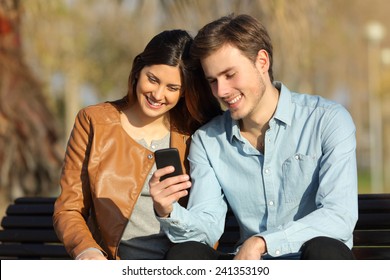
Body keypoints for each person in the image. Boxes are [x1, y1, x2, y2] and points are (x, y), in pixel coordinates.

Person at [149, 14, 358, 260]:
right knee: (185, 253)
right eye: (213, 81)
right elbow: (206, 225)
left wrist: (262, 242)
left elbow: (338, 216)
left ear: (262, 61)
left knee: (327, 250)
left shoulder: (327, 121)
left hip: (310, 262)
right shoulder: (208, 140)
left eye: (229, 75)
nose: (221, 91)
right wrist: (167, 210)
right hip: (245, 265)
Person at [52, 29, 222, 260]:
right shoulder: (94, 121)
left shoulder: (196, 135)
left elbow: (206, 218)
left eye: (172, 88)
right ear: (138, 70)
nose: (158, 94)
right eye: (152, 79)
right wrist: (87, 250)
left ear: (183, 92)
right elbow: (69, 208)